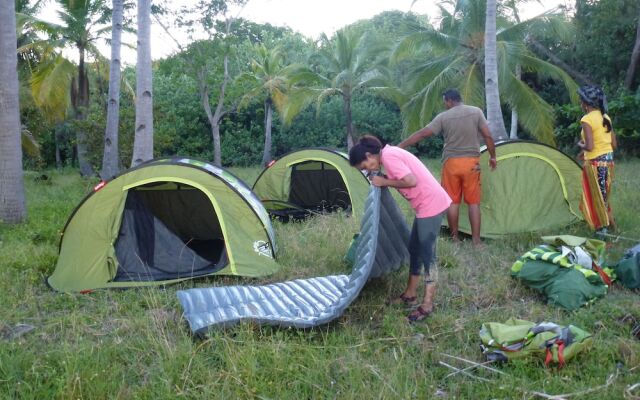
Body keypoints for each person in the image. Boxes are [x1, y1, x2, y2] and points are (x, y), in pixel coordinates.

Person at [349, 135, 451, 322]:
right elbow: (404, 178)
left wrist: (385, 182)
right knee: (414, 249)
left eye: (365, 166)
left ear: (369, 155)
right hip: (424, 206)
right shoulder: (388, 155)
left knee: (428, 255)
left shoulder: (389, 157)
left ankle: (428, 304)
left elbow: (411, 181)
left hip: (432, 204)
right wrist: (385, 178)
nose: (367, 170)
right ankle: (410, 294)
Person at [398, 89, 497, 246]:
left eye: (445, 101)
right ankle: (476, 241)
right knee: (473, 203)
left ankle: (455, 238)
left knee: (452, 202)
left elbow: (423, 133)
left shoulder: (444, 117)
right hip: (471, 163)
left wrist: (402, 145)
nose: (445, 104)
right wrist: (492, 156)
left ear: (450, 100)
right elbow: (488, 135)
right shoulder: (476, 112)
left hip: (451, 164)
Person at [576, 85, 617, 233]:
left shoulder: (586, 119)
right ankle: (612, 227)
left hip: (595, 164)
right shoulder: (606, 117)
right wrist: (582, 154)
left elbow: (590, 145)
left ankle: (602, 233)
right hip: (608, 162)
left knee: (596, 198)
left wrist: (580, 144)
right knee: (603, 197)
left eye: (581, 101)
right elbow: (613, 144)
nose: (580, 104)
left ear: (586, 103)